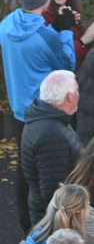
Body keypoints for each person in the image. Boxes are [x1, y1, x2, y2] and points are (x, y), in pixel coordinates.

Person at [3, 0, 76, 229]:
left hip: (18, 110)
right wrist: (65, 30)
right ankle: (49, 231)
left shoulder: (5, 25)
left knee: (25, 172)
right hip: (45, 113)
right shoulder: (47, 36)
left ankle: (27, 230)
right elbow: (67, 66)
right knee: (48, 175)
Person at [21, 71, 84, 228]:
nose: (79, 94)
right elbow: (54, 191)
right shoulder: (52, 134)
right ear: (69, 97)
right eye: (77, 90)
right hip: (58, 222)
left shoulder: (45, 119)